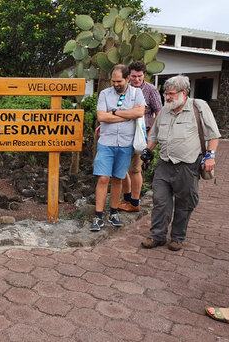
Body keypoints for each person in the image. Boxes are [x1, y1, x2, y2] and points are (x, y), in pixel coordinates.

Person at [141, 75, 220, 251]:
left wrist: (210, 156)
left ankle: (177, 237)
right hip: (164, 164)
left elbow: (213, 135)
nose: (167, 97)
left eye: (171, 94)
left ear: (184, 93)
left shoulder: (198, 107)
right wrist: (148, 151)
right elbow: (153, 136)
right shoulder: (164, 111)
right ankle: (157, 235)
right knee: (160, 201)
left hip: (187, 165)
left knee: (185, 203)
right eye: (165, 94)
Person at [90, 64, 146, 231]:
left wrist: (112, 113)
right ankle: (98, 216)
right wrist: (125, 114)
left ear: (127, 78)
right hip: (106, 143)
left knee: (118, 179)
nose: (115, 84)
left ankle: (113, 213)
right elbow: (101, 116)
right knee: (103, 178)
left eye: (119, 81)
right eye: (113, 81)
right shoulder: (104, 94)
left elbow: (139, 113)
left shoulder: (137, 93)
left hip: (125, 143)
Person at [118, 61, 162, 212]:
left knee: (135, 170)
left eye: (139, 76)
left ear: (144, 75)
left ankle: (135, 202)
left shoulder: (151, 90)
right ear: (128, 75)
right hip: (123, 135)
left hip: (141, 136)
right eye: (133, 76)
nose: (136, 79)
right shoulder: (124, 89)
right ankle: (127, 198)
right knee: (121, 169)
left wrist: (150, 136)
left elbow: (159, 113)